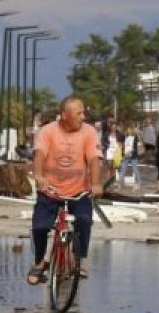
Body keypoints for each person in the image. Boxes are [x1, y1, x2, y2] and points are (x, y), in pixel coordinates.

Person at [27, 96, 103, 286]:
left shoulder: (89, 132)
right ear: (64, 115)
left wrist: (96, 184)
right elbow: (40, 155)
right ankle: (39, 262)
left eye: (83, 112)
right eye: (79, 113)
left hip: (79, 190)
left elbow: (94, 160)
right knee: (40, 227)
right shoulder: (47, 131)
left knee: (84, 220)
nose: (83, 117)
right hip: (50, 189)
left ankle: (80, 258)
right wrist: (39, 176)